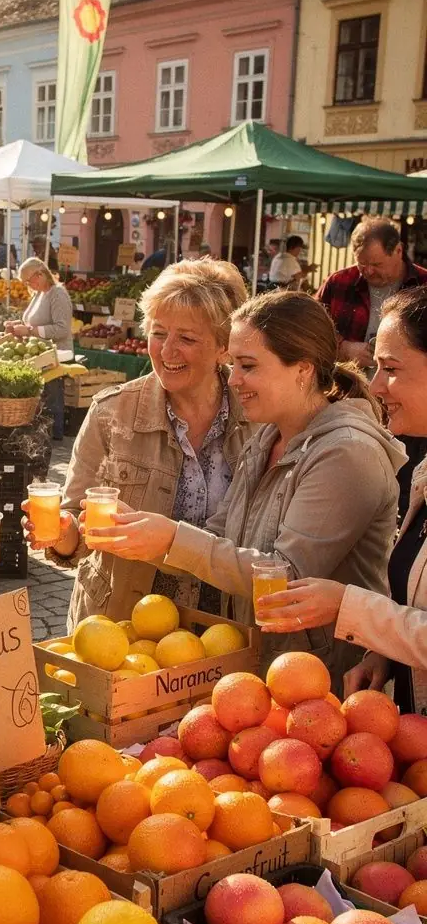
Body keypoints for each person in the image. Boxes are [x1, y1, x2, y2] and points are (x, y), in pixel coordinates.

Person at [84, 290, 404, 687]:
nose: (233, 380)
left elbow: (286, 578)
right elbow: (221, 535)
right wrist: (143, 534)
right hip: (260, 668)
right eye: (233, 363)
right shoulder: (267, 436)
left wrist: (169, 539)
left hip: (321, 682)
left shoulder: (346, 453)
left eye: (248, 366)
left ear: (303, 370)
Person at [27, 261, 250, 627]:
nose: (167, 351)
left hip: (223, 628)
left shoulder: (257, 420)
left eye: (187, 339)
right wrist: (62, 532)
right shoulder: (111, 414)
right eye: (159, 333)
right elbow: (76, 534)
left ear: (224, 348)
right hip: (120, 628)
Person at [257, 287, 427, 713]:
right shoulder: (423, 472)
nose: (376, 385)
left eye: (391, 368)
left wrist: (349, 608)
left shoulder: (348, 450)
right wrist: (385, 653)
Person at [318, 218, 427, 371]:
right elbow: (309, 327)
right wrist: (343, 348)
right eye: (362, 263)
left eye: (377, 264)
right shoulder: (338, 282)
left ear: (398, 251)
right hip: (346, 382)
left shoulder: (423, 285)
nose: (369, 271)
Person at [14, 257, 73, 441]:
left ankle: (54, 439)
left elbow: (62, 329)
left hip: (55, 356)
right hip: (39, 355)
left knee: (52, 399)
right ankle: (43, 436)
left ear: (40, 274)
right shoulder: (39, 294)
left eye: (28, 280)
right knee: (44, 400)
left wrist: (30, 331)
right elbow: (31, 321)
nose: (28, 285)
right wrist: (16, 325)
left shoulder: (57, 294)